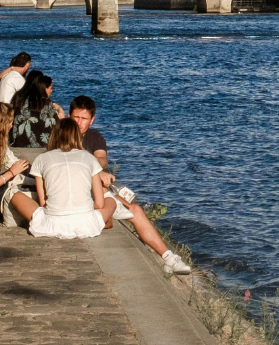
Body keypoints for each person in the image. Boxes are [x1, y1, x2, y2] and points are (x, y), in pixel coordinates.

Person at [68, 96, 190, 273]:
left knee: (136, 210)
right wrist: (94, 170)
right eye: (76, 117)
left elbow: (102, 159)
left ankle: (168, 258)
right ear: (69, 115)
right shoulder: (61, 134)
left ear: (92, 120)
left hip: (96, 191)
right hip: (77, 192)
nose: (79, 123)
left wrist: (96, 168)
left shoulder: (96, 138)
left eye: (84, 119)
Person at [7, 119, 116, 239]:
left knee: (15, 195)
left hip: (52, 224)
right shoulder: (90, 158)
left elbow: (43, 203)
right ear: (77, 136)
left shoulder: (41, 159)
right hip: (86, 224)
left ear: (54, 135)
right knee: (112, 200)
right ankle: (102, 221)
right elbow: (100, 204)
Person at [9, 70, 63, 147]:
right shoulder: (46, 103)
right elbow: (55, 124)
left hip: (18, 142)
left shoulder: (19, 98)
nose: (51, 90)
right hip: (42, 144)